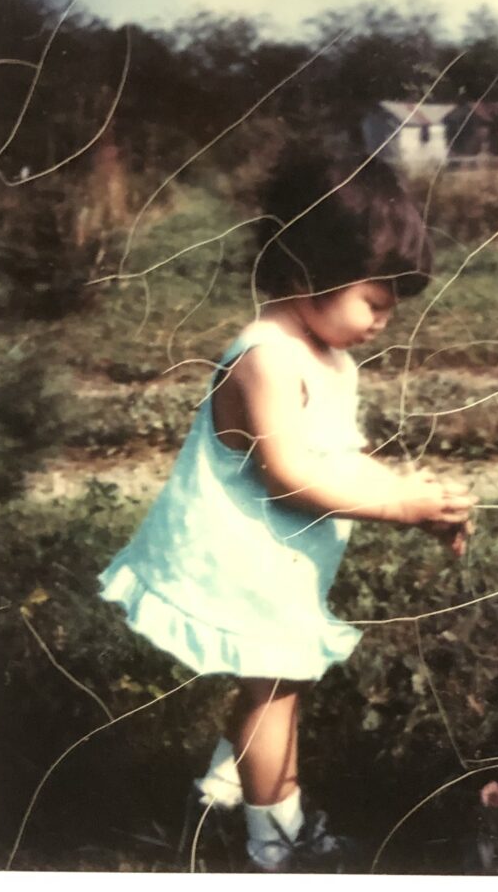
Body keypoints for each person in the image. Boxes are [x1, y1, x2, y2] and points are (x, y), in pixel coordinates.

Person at [98, 147, 477, 871]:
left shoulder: (327, 357)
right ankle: (278, 845)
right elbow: (290, 476)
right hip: (239, 557)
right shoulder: (267, 358)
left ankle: (219, 790)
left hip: (280, 563)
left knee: (279, 683)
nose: (383, 322)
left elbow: (337, 455)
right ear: (308, 276)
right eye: (375, 301)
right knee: (273, 688)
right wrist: (397, 507)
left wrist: (418, 498)